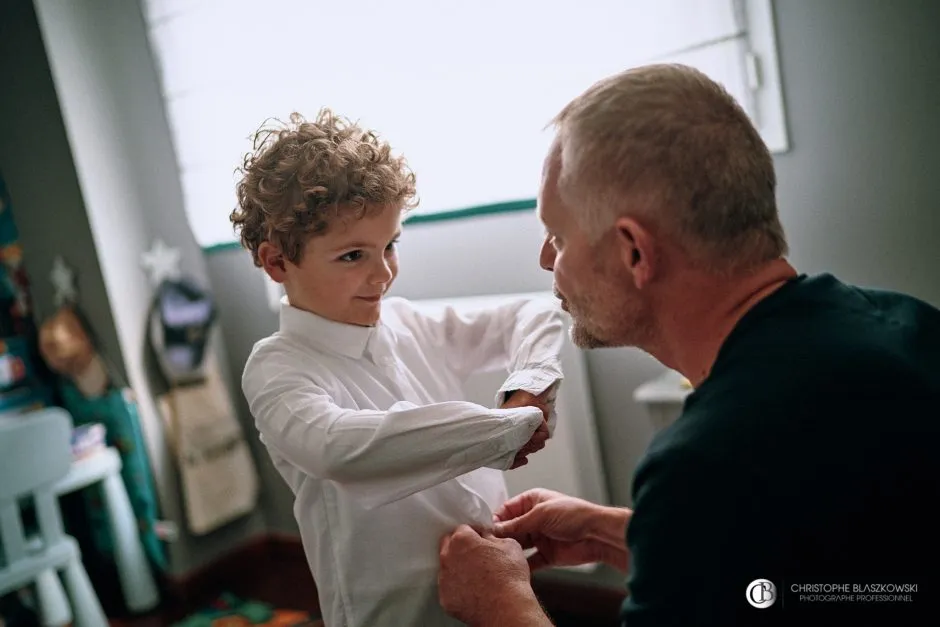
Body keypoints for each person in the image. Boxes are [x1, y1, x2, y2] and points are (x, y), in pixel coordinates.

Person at [437, 63, 940, 626]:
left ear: (634, 252)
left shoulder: (704, 467)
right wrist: (635, 535)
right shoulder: (909, 324)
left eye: (557, 235)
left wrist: (500, 603)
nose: (546, 259)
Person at [233, 109, 566, 627]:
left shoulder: (410, 323)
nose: (383, 272)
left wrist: (528, 386)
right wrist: (503, 431)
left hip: (493, 590)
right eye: (352, 256)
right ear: (277, 262)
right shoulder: (277, 368)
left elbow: (533, 312)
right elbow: (341, 448)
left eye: (390, 245)